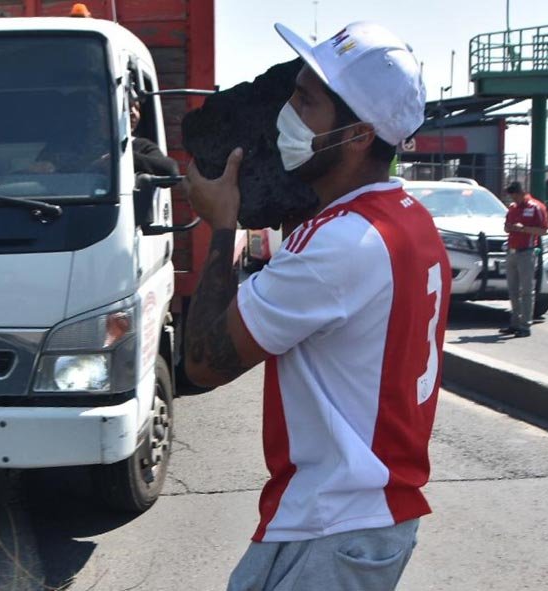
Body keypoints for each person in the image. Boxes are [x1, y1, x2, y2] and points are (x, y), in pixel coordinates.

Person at [181, 22, 449, 591]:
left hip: (333, 525)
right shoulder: (407, 219)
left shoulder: (337, 246)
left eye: (305, 101)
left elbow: (203, 362)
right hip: (356, 520)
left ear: (357, 135)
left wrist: (222, 223)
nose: (287, 113)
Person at [500, 181, 548, 337]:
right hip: (511, 251)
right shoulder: (513, 208)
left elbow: (543, 230)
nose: (513, 199)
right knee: (513, 290)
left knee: (527, 290)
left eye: (515, 196)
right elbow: (506, 226)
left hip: (526, 252)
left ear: (522, 193)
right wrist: (510, 227)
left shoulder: (536, 207)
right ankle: (514, 322)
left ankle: (525, 325)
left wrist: (524, 229)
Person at [129, 98, 179, 176]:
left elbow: (170, 169)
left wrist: (127, 157)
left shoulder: (141, 145)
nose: (134, 114)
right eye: (127, 107)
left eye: (137, 108)